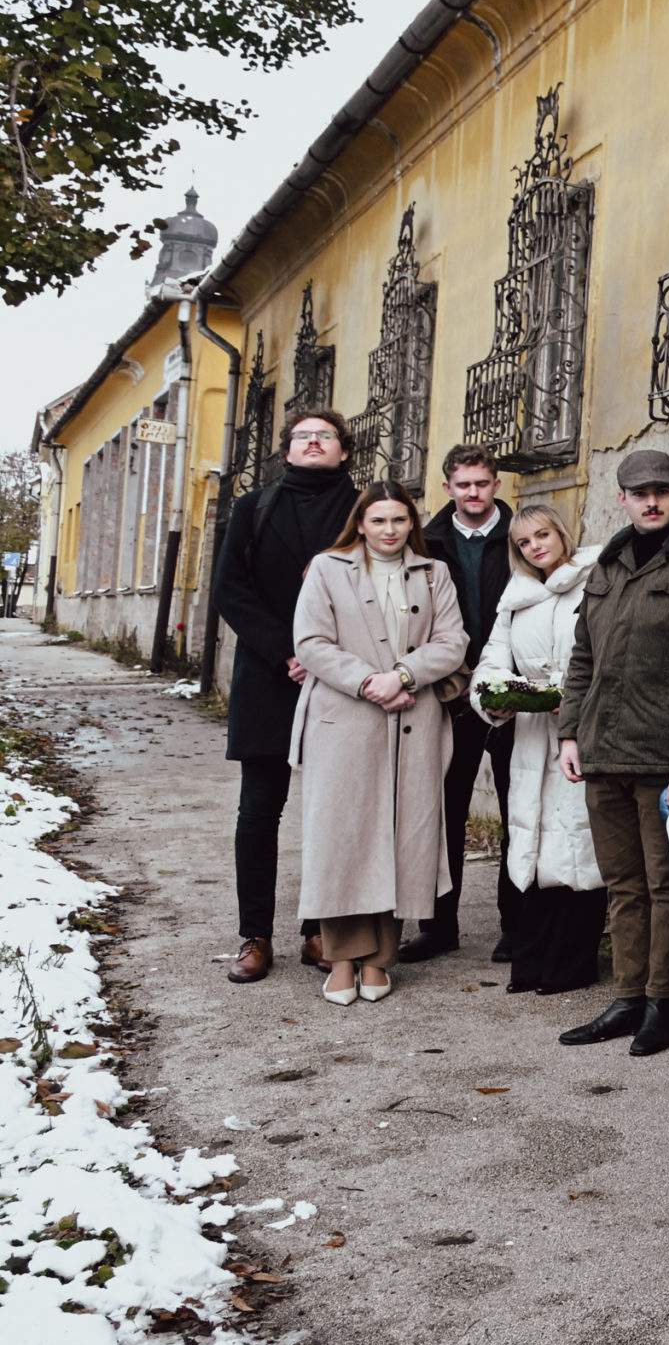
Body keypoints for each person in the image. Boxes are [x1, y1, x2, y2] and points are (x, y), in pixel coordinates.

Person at [555, 450, 669, 1056]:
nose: (651, 500)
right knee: (623, 885)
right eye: (639, 492)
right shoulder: (606, 566)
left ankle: (662, 1003)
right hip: (604, 753)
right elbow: (583, 657)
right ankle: (627, 997)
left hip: (667, 761)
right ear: (623, 499)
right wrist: (569, 732)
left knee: (668, 884)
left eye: (661, 490)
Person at [288, 481, 469, 1004]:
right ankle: (342, 956)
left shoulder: (435, 573)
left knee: (400, 836)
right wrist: (370, 681)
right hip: (344, 718)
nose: (389, 530)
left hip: (414, 718)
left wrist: (405, 675)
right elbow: (311, 641)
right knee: (343, 837)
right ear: (361, 524)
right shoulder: (327, 567)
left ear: (412, 523)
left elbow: (453, 640)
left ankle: (379, 960)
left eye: (399, 520)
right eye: (378, 521)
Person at [211, 409, 358, 983]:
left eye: (324, 436)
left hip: (342, 679)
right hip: (269, 676)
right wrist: (287, 652)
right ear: (288, 451)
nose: (313, 443)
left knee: (334, 812)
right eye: (303, 437)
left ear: (344, 450)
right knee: (258, 812)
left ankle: (320, 931)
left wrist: (328, 660)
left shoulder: (362, 509)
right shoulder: (254, 508)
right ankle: (256, 936)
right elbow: (230, 590)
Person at [469, 503, 608, 996]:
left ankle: (572, 964)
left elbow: (608, 654)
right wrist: (496, 701)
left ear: (561, 533)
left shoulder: (596, 579)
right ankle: (531, 962)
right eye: (524, 542)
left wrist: (574, 700)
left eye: (543, 535)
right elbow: (490, 665)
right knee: (530, 839)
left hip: (583, 733)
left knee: (578, 842)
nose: (536, 547)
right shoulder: (516, 597)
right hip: (530, 736)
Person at [405, 443, 516, 963]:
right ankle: (438, 924)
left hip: (516, 692)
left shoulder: (522, 535)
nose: (473, 493)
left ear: (496, 485)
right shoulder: (426, 542)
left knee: (521, 808)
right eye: (463, 484)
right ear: (447, 486)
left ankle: (517, 924)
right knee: (444, 807)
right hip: (449, 692)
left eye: (482, 483)